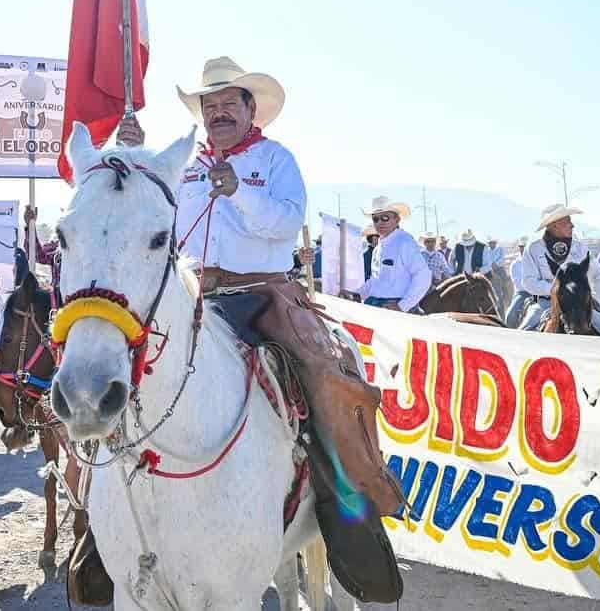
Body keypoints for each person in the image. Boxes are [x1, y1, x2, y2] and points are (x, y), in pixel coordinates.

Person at [116, 56, 405, 533]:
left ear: (252, 111)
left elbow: (286, 222)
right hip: (194, 298)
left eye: (230, 103)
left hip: (264, 297)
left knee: (323, 373)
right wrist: (129, 155)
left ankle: (352, 503)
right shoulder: (184, 167)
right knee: (121, 367)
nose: (219, 113)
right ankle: (111, 510)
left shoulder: (276, 160)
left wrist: (238, 193)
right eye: (211, 105)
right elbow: (143, 212)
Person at [505, 205, 600, 332]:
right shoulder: (533, 249)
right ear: (554, 225)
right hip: (545, 304)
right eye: (568, 221)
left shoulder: (580, 248)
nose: (572, 225)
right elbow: (528, 282)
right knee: (525, 331)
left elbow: (599, 277)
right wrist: (559, 291)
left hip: (580, 304)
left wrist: (594, 298)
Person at [350, 197, 432, 315]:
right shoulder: (377, 248)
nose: (380, 222)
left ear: (397, 219)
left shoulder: (405, 242)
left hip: (394, 307)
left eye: (385, 218)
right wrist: (357, 294)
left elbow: (423, 275)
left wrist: (403, 305)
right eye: (376, 219)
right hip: (377, 305)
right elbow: (375, 281)